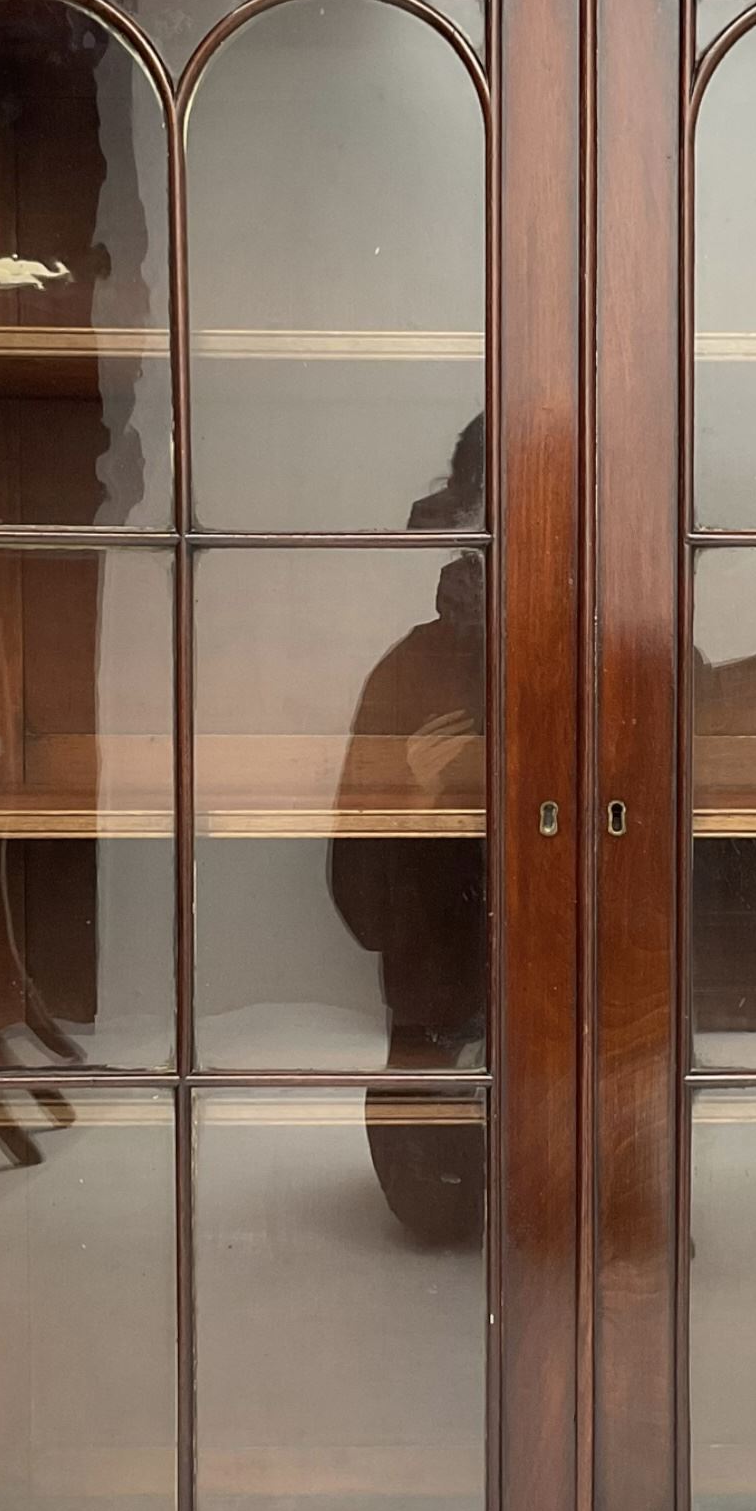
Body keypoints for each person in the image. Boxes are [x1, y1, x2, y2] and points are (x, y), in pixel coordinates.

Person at [328, 418, 489, 1244]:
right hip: (447, 1003)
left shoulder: (634, 653)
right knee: (437, 1204)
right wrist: (417, 796)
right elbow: (358, 887)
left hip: (595, 1027)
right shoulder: (409, 671)